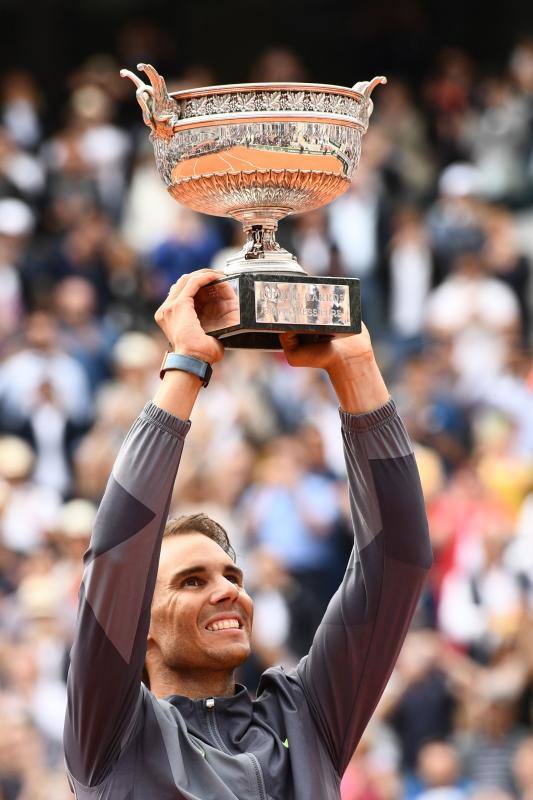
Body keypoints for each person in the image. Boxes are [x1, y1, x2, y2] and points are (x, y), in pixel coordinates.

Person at [63, 268, 432, 799]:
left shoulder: (307, 716)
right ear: (137, 625)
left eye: (231, 574)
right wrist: (187, 365)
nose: (228, 589)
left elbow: (398, 556)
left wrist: (356, 368)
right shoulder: (110, 734)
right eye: (191, 581)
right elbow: (117, 557)